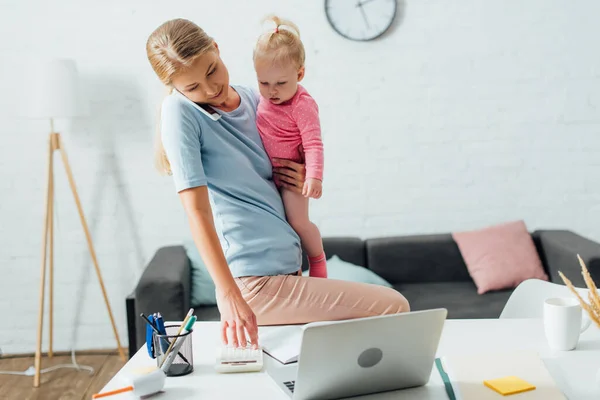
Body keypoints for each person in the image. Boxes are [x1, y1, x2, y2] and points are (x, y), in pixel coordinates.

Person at [145, 18, 410, 350]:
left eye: (212, 71)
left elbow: (283, 178)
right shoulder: (180, 112)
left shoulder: (256, 99)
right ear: (177, 89)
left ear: (216, 47)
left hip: (286, 269)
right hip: (253, 281)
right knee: (393, 306)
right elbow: (197, 213)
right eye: (193, 87)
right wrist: (228, 294)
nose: (210, 89)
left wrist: (298, 178)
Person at [253, 16, 327, 278]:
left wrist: (314, 176)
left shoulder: (301, 105)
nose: (272, 91)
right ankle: (291, 270)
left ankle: (317, 261)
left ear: (300, 74)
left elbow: (314, 143)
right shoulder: (259, 99)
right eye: (264, 83)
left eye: (281, 83)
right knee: (279, 227)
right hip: (267, 176)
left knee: (297, 222)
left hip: (291, 179)